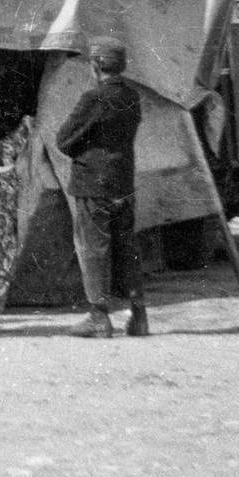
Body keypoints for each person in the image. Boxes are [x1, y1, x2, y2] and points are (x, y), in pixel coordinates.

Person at [55, 37, 145, 338]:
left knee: (93, 248)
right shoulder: (132, 96)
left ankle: (98, 317)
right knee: (126, 248)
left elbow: (64, 140)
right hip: (124, 180)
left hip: (92, 183)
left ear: (95, 65)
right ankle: (139, 315)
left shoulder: (93, 98)